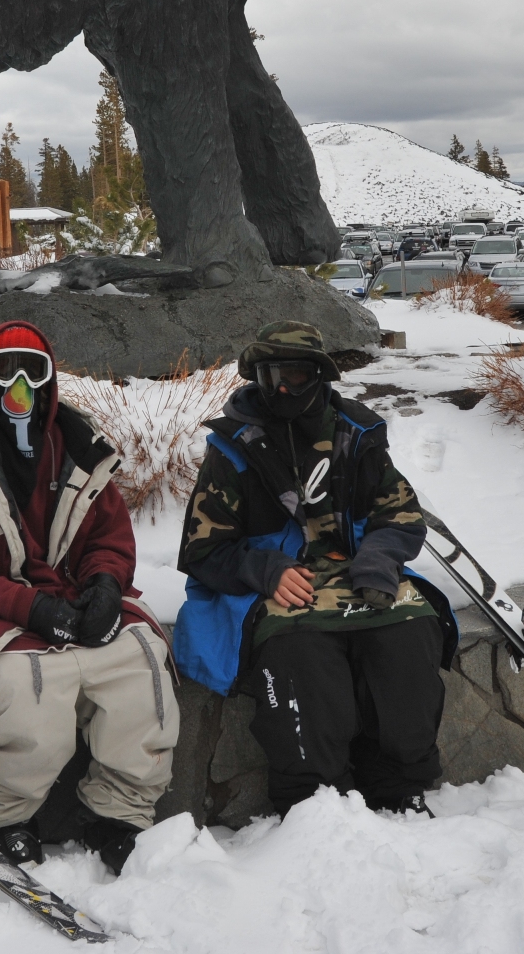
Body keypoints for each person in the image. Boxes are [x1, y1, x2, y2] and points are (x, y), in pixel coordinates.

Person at [0, 321, 177, 873]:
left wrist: (105, 585)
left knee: (141, 663)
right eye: (5, 372)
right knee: (22, 686)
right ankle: (6, 818)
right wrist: (28, 607)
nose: (20, 388)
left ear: (51, 381)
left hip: (71, 597)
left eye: (34, 373)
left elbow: (108, 537)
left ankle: (119, 813)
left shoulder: (78, 448)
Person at [173, 321, 454, 817]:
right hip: (274, 583)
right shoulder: (231, 447)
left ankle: (398, 785)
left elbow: (401, 513)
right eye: (270, 375)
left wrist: (377, 558)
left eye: (297, 375)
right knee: (300, 652)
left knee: (409, 633)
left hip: (355, 573)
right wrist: (265, 570)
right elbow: (202, 548)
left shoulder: (356, 434)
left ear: (319, 376)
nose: (283, 387)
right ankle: (317, 802)